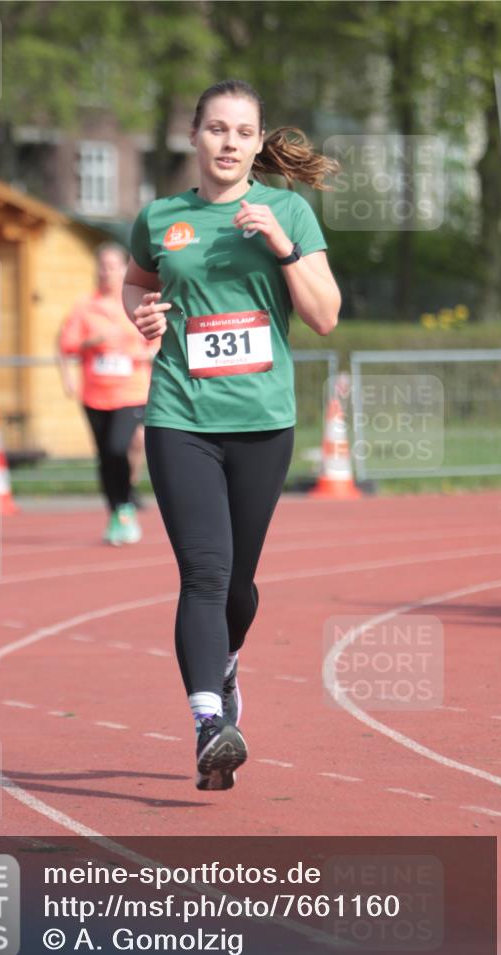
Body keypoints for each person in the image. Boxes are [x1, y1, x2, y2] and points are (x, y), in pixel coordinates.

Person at [122, 79, 342, 791]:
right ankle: (209, 723)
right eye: (215, 129)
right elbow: (135, 282)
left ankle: (223, 662)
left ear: (256, 143)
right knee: (205, 572)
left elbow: (324, 316)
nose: (227, 142)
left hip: (261, 423)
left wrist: (281, 246)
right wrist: (143, 314)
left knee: (238, 586)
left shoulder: (287, 211)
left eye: (241, 132)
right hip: (179, 416)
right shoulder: (160, 217)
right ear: (193, 137)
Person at [57, 242, 156, 545]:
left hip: (131, 390)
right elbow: (67, 345)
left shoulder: (137, 302)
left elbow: (159, 336)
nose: (106, 271)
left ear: (125, 268)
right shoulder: (85, 306)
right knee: (105, 456)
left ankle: (125, 503)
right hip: (95, 392)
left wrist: (146, 354)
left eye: (113, 265)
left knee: (117, 448)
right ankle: (117, 511)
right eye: (102, 265)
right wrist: (91, 343)